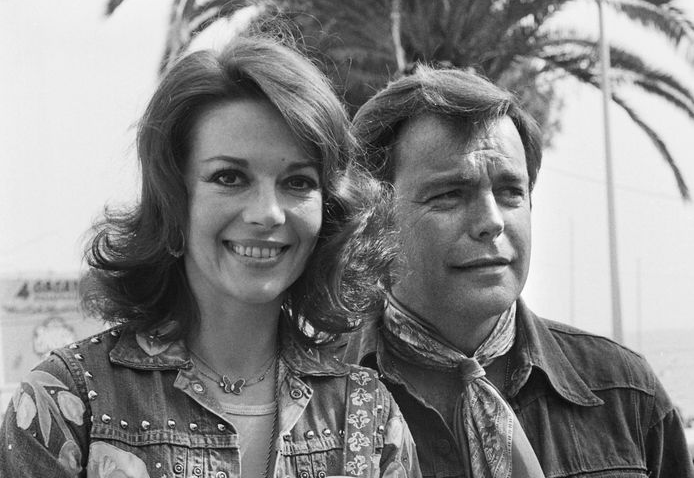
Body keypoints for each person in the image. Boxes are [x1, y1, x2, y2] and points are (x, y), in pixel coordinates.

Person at [0, 34, 421, 478]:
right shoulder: (64, 403)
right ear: (173, 200)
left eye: (297, 182)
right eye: (229, 177)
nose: (268, 213)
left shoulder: (369, 416)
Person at [344, 65, 694, 478]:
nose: (491, 221)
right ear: (375, 215)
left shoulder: (626, 393)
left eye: (510, 192)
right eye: (450, 194)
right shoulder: (317, 400)